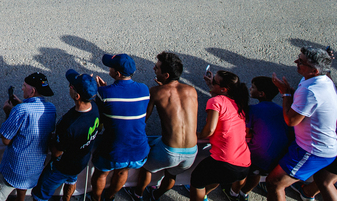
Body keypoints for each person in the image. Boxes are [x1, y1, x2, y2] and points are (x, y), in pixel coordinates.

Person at [124, 52, 198, 201]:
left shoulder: (156, 92)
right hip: (191, 152)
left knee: (146, 168)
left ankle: (137, 194)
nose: (154, 68)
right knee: (171, 175)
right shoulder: (192, 90)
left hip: (169, 151)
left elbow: (144, 118)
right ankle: (156, 195)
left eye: (157, 68)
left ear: (166, 75)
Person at [266, 47, 337, 201]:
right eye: (299, 58)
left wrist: (285, 93)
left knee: (274, 183)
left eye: (301, 62)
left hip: (311, 151)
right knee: (323, 181)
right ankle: (306, 193)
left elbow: (291, 120)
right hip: (317, 146)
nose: (296, 61)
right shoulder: (322, 80)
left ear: (315, 71)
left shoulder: (311, 91)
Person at [0, 72, 56, 201]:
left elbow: (6, 139)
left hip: (13, 170)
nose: (22, 88)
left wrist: (9, 113)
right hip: (34, 169)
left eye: (24, 86)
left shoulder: (21, 110)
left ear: (32, 91)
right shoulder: (51, 108)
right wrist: (21, 105)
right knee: (22, 188)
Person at [31, 69, 100, 201]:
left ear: (77, 96)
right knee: (71, 180)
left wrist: (50, 140)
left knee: (40, 194)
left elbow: (57, 152)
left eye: (71, 86)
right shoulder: (95, 108)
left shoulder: (69, 125)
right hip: (81, 162)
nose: (69, 86)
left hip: (62, 167)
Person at [90, 53, 150, 201]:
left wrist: (103, 91)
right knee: (123, 172)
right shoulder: (144, 89)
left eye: (110, 67)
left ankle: (96, 199)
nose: (108, 69)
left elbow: (99, 115)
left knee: (101, 173)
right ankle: (110, 196)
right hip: (138, 150)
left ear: (117, 74)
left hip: (114, 150)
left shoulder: (104, 93)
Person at [224, 76, 291, 201]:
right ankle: (244, 193)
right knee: (257, 175)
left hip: (257, 154)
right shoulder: (281, 110)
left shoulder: (253, 110)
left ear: (261, 94)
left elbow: (245, 132)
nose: (250, 88)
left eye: (253, 87)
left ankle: (233, 193)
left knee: (245, 173)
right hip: (277, 155)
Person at [189, 70, 251, 201]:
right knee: (215, 177)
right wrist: (211, 86)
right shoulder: (238, 103)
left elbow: (209, 130)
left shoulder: (215, 101)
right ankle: (204, 196)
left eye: (214, 81)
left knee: (196, 180)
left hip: (224, 161)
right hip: (244, 165)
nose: (211, 82)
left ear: (223, 89)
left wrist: (195, 136)